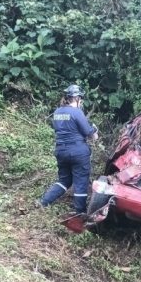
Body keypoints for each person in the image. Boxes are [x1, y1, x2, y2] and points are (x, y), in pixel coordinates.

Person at [38, 84, 98, 214]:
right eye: (80, 99)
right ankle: (80, 212)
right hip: (78, 152)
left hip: (61, 151)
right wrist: (94, 129)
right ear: (76, 98)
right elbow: (88, 131)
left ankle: (43, 202)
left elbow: (62, 129)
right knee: (81, 181)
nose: (81, 102)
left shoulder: (57, 112)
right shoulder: (77, 112)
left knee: (64, 180)